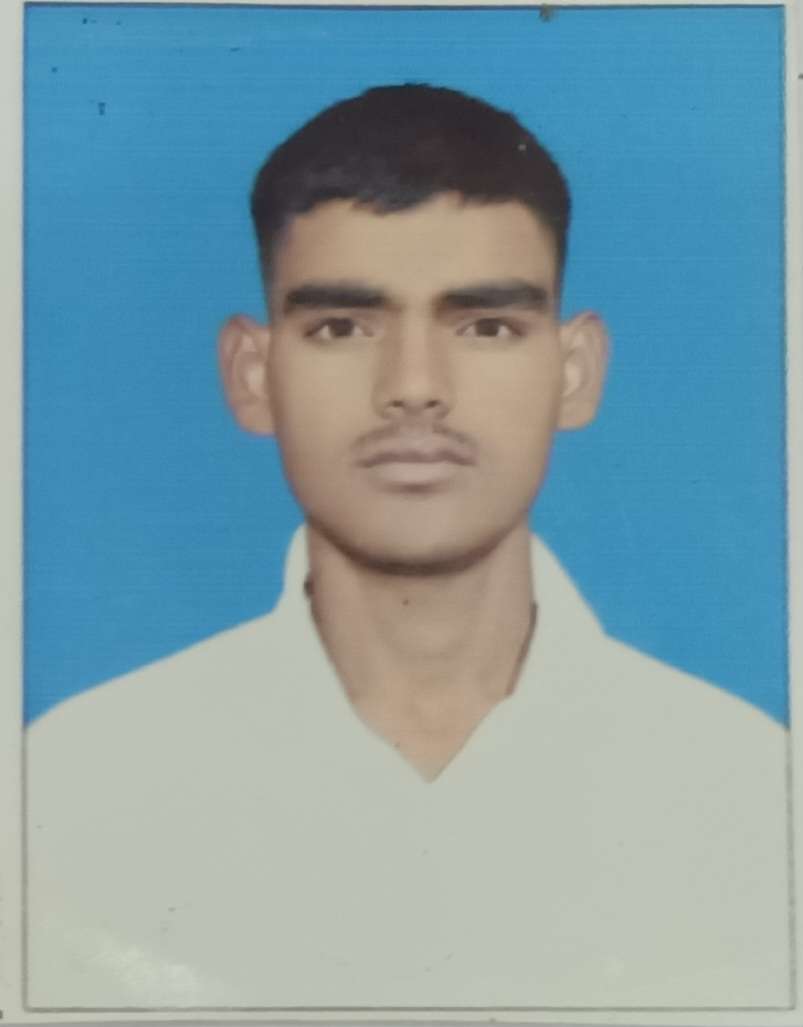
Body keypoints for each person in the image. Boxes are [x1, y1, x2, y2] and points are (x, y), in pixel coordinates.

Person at [26, 84, 790, 1011]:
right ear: (253, 374)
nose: (415, 386)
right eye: (342, 327)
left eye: (485, 325)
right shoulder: (71, 789)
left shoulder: (750, 793)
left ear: (574, 372)